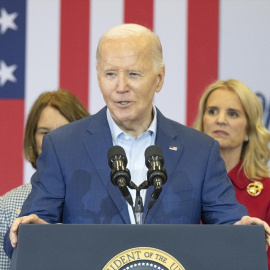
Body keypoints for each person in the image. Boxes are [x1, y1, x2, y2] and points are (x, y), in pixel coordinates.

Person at [4, 24, 270, 259]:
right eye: (110, 74)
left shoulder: (200, 150)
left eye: (133, 74)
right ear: (98, 77)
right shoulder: (62, 146)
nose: (121, 86)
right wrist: (30, 231)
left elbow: (230, 223)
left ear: (159, 78)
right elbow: (23, 236)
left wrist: (243, 231)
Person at [0, 89, 90, 269]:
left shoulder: (103, 198)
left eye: (64, 130)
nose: (54, 141)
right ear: (32, 139)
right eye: (44, 132)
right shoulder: (6, 207)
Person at [193, 78, 270, 268]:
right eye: (212, 111)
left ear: (248, 130)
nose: (220, 119)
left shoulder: (267, 191)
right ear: (202, 121)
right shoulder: (179, 182)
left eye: (233, 114)